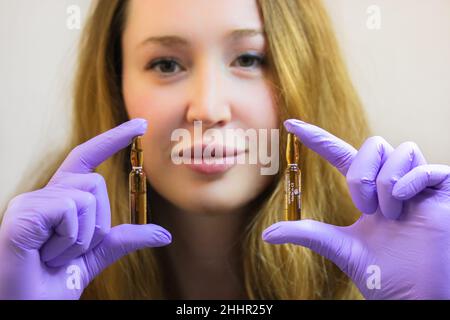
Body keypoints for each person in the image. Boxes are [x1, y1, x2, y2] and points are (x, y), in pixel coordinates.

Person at [0, 0, 449, 300]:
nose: (209, 108)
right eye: (166, 64)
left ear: (305, 74)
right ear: (116, 88)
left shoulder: (413, 243)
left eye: (249, 59)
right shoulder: (26, 258)